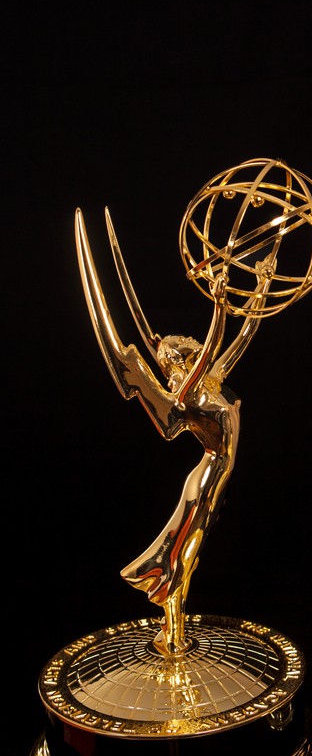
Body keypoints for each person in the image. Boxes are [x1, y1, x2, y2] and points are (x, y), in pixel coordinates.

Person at [75, 208, 269, 654]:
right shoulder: (187, 395)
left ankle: (173, 621)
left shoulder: (210, 382)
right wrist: (219, 302)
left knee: (190, 555)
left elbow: (243, 335)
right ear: (182, 360)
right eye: (189, 347)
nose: (196, 345)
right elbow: (217, 337)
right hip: (207, 479)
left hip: (217, 479)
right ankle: (173, 624)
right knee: (185, 555)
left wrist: (260, 287)